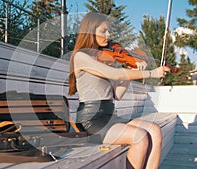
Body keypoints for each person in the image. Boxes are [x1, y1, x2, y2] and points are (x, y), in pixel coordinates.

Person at [68, 12, 170, 169]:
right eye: (103, 31)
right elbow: (115, 74)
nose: (108, 35)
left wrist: (129, 71)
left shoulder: (105, 58)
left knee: (154, 131)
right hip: (91, 121)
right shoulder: (81, 56)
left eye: (109, 31)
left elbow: (117, 94)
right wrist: (151, 73)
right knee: (140, 137)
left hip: (110, 116)